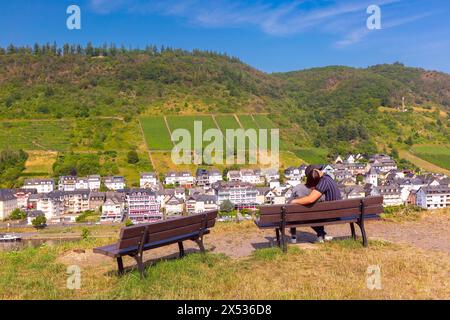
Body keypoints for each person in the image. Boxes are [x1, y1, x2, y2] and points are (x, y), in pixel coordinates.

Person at [290, 164, 342, 243]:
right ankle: (321, 235)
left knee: (308, 214)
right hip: (336, 212)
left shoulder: (323, 182)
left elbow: (311, 199)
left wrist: (294, 201)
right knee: (314, 212)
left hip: (331, 215)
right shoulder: (328, 178)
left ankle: (295, 236)